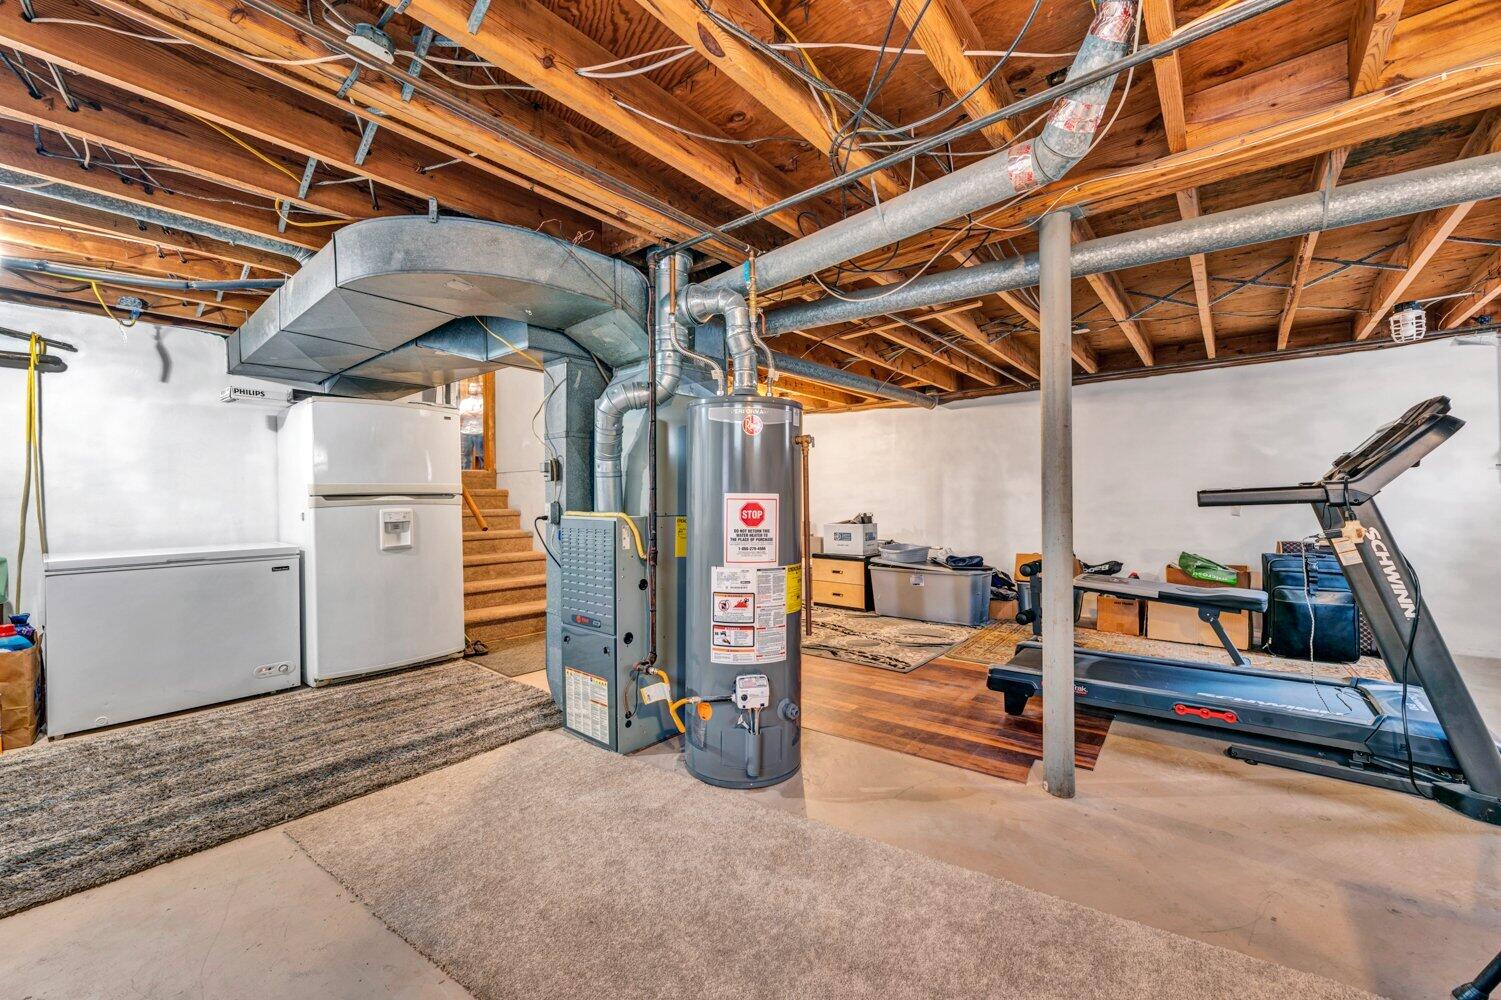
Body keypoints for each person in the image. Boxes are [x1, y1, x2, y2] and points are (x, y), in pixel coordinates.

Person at [458, 381, 485, 469]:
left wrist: (469, 412)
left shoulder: (483, 401)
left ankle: (482, 473)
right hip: (466, 432)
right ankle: (465, 473)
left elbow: (482, 413)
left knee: (481, 455)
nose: (472, 388)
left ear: (478, 388)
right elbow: (462, 413)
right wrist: (475, 413)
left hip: (479, 431)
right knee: (466, 456)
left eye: (474, 386)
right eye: (470, 387)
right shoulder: (464, 402)